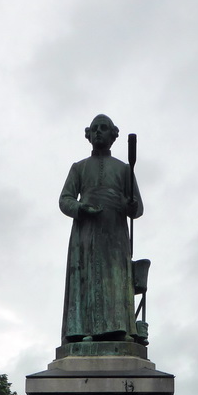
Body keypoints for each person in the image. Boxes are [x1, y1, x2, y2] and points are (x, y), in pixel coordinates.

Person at [59, 114, 143, 344]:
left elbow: (137, 209)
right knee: (85, 277)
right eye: (94, 128)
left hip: (114, 234)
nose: (98, 132)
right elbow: (64, 199)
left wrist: (130, 205)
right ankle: (81, 329)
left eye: (103, 128)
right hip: (85, 235)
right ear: (88, 134)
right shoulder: (79, 168)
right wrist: (81, 208)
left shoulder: (125, 170)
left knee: (114, 280)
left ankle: (116, 327)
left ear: (113, 135)